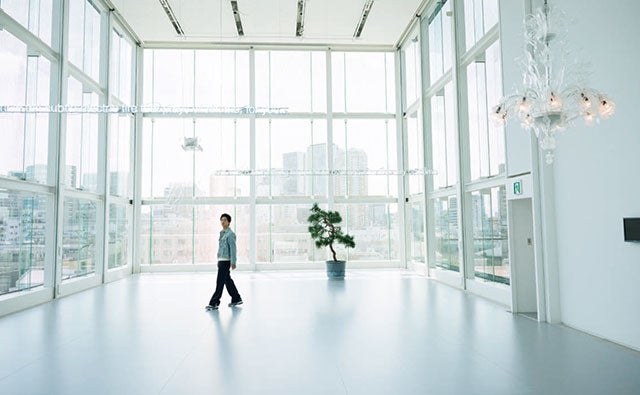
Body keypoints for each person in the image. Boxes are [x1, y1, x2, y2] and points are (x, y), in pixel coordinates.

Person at [206, 213, 243, 310]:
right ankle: (236, 298)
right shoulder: (222, 233)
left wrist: (233, 262)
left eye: (225, 220)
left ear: (229, 222)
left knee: (220, 282)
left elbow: (233, 249)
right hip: (221, 260)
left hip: (226, 261)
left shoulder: (231, 234)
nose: (223, 222)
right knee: (227, 281)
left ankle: (214, 302)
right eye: (221, 220)